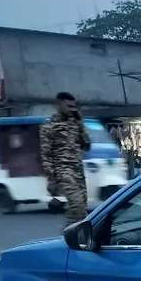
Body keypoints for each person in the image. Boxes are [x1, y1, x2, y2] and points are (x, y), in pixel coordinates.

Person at [40, 92, 91, 224]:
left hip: (78, 171)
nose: (72, 109)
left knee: (82, 209)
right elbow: (46, 154)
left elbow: (87, 146)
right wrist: (51, 179)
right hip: (63, 171)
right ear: (59, 105)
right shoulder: (49, 125)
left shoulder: (75, 124)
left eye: (74, 106)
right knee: (77, 204)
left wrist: (80, 124)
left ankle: (73, 231)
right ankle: (70, 232)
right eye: (69, 106)